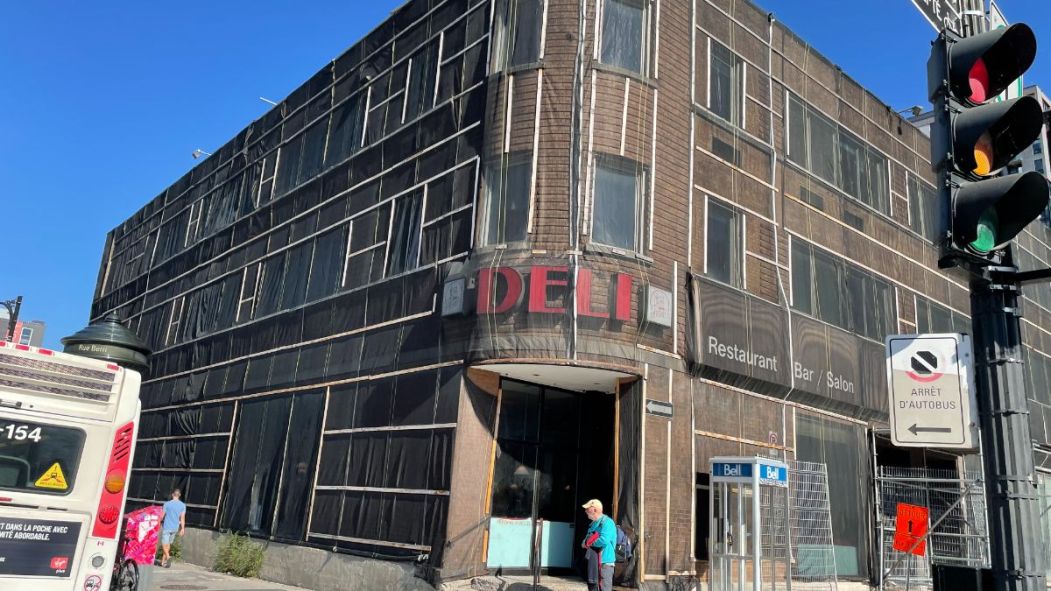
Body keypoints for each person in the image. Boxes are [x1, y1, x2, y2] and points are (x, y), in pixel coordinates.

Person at [580, 499, 616, 591]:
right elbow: (585, 540)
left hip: (605, 563)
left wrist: (588, 543)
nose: (585, 511)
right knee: (593, 587)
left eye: (588, 509)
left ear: (595, 510)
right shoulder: (592, 524)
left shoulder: (608, 522)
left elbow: (604, 540)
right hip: (594, 563)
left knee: (604, 588)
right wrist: (585, 543)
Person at [160, 488, 186, 567]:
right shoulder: (182, 505)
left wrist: (158, 522)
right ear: (179, 495)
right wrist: (182, 528)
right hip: (175, 528)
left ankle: (168, 557)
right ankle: (162, 562)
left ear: (172, 495)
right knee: (168, 545)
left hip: (167, 526)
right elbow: (182, 518)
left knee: (164, 544)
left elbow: (162, 515)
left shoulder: (167, 504)